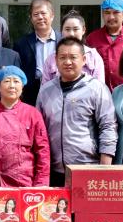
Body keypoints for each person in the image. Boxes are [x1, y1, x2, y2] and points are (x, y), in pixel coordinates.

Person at [36, 37, 117, 187]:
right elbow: (38, 131)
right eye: (62, 57)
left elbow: (108, 126)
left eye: (73, 57)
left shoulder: (96, 89)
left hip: (88, 167)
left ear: (84, 59)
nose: (68, 62)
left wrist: (105, 166)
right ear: (56, 60)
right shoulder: (45, 91)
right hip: (53, 170)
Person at [0, 66, 50, 188]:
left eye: (16, 81)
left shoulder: (33, 114)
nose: (12, 86)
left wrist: (41, 182)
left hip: (26, 183)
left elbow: (42, 151)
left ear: (22, 87)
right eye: (7, 81)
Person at [84, 0, 123, 90]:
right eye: (107, 12)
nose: (111, 17)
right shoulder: (92, 38)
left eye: (116, 12)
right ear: (103, 14)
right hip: (100, 93)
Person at [41, 11, 106, 85]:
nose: (71, 34)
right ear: (61, 31)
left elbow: (99, 87)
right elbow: (45, 89)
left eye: (75, 29)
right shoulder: (52, 58)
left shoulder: (93, 57)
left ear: (83, 30)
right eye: (67, 29)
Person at [13, 0, 57, 105]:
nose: (40, 17)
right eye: (36, 14)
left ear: (52, 16)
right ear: (31, 19)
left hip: (58, 89)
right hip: (31, 93)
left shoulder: (64, 40)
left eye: (43, 13)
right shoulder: (21, 44)